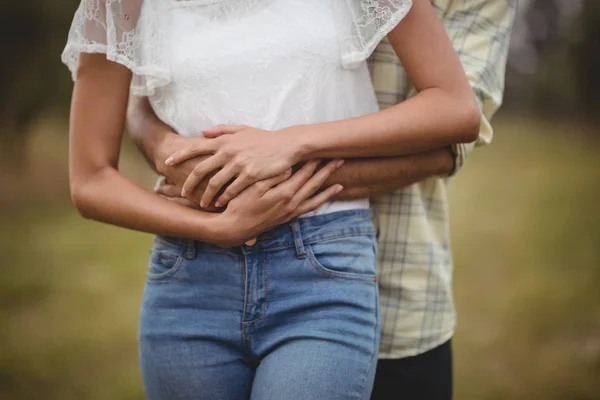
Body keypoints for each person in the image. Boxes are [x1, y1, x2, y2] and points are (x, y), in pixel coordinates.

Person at [62, 0, 480, 399]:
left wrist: (292, 143)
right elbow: (90, 180)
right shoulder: (117, 5)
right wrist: (216, 228)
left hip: (321, 270)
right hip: (190, 281)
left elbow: (455, 107)